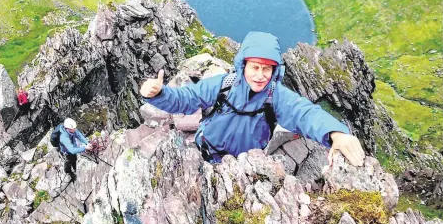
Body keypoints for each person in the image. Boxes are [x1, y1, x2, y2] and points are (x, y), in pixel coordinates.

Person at [140, 31, 365, 166]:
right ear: (243, 65)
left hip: (242, 166)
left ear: (275, 71)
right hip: (203, 150)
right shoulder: (223, 85)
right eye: (254, 67)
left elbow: (304, 113)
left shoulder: (275, 96)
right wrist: (159, 93)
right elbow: (185, 99)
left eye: (267, 69)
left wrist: (336, 133)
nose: (260, 76)